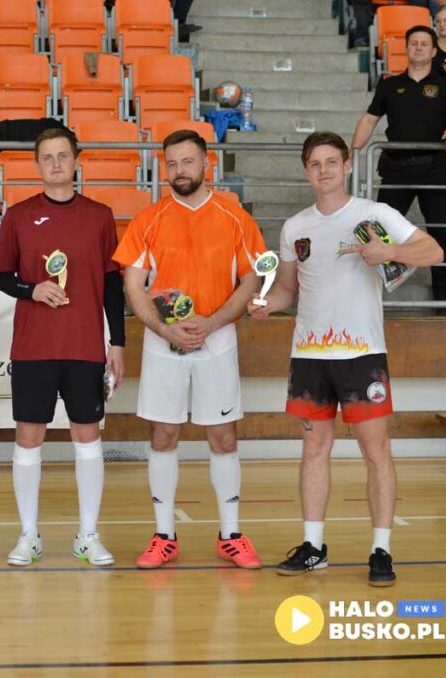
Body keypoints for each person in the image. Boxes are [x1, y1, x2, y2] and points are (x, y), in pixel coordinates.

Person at [248, 132, 442, 586]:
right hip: (310, 356)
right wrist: (266, 305)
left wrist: (389, 250)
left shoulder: (374, 214)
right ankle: (314, 547)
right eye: (315, 163)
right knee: (314, 450)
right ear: (305, 170)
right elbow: (287, 289)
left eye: (331, 162)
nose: (324, 170)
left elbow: (432, 250)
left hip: (361, 355)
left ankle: (381, 550)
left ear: (347, 164)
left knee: (376, 453)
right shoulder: (295, 227)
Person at [113, 129, 266, 571]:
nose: (180, 171)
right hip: (165, 345)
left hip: (218, 341)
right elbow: (133, 285)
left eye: (188, 162)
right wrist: (165, 329)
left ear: (206, 165)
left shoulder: (234, 216)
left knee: (222, 436)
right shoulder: (149, 219)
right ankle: (164, 535)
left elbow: (252, 280)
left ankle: (231, 535)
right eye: (172, 164)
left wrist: (213, 322)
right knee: (163, 435)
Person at [0, 127, 125, 568]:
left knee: (86, 437)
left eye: (62, 156)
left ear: (76, 160)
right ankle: (29, 535)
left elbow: (111, 284)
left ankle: (87, 535)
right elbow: (1, 277)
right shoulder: (18, 215)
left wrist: (117, 343)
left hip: (85, 346)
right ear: (37, 164)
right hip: (33, 348)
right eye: (47, 157)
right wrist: (33, 290)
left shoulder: (100, 216)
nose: (55, 164)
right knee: (29, 439)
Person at [352, 25, 446, 313]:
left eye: (424, 44)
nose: (418, 47)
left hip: (434, 169)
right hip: (396, 169)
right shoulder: (390, 84)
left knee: (441, 233)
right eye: (413, 43)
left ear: (434, 51)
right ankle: (367, 299)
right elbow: (369, 121)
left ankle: (444, 306)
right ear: (406, 49)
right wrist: (352, 153)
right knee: (376, 231)